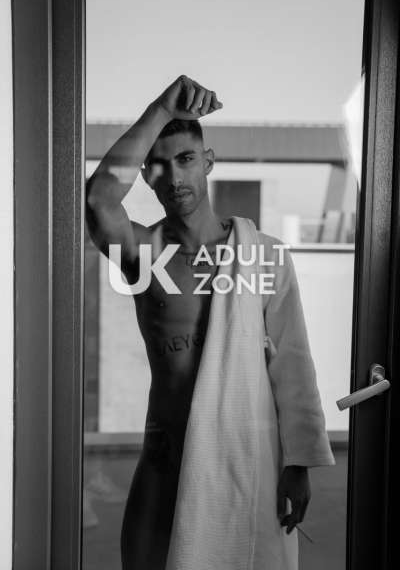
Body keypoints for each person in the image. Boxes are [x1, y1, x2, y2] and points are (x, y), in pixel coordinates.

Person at [85, 75, 334, 570]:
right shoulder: (146, 254)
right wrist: (160, 107)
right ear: (146, 176)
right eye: (159, 165)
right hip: (166, 458)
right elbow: (98, 202)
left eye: (186, 159)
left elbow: (292, 362)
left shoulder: (264, 255)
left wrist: (299, 462)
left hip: (246, 458)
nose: (174, 178)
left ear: (208, 162)